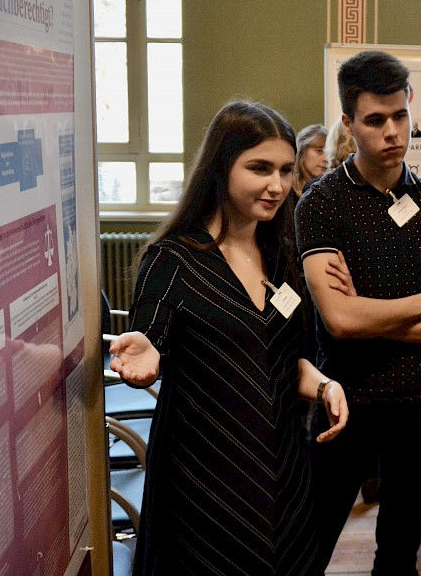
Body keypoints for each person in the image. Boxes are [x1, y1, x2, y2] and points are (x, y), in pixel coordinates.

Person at [108, 100, 348, 575]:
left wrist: (325, 385)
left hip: (282, 468)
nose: (276, 185)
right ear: (221, 167)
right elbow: (149, 341)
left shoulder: (279, 254)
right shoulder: (171, 260)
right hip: (204, 477)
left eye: (284, 169)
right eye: (259, 168)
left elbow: (283, 358)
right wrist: (145, 356)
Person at [295, 50, 421, 575]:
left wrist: (368, 314)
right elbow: (341, 323)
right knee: (310, 547)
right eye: (375, 120)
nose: (392, 131)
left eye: (400, 115)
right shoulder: (322, 203)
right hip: (344, 400)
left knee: (399, 556)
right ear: (349, 123)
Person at [293, 123, 329, 196]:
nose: (326, 159)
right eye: (319, 151)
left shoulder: (329, 188)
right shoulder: (287, 187)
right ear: (302, 151)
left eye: (329, 153)